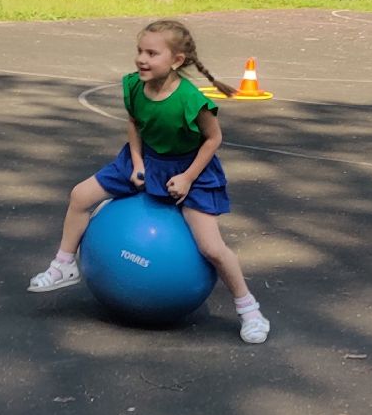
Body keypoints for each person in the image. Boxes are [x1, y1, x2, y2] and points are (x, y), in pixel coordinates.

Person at [27, 19, 271, 344]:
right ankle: (63, 264)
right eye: (140, 51)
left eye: (152, 53)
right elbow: (134, 122)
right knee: (80, 195)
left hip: (190, 169)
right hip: (145, 159)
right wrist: (138, 163)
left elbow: (213, 140)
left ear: (176, 61)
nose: (142, 59)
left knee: (212, 248)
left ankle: (249, 309)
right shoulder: (133, 86)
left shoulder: (190, 99)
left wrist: (186, 178)